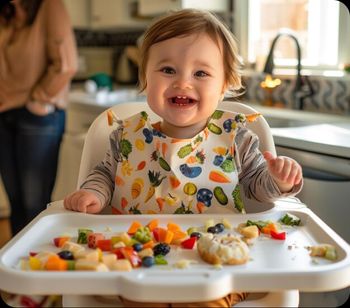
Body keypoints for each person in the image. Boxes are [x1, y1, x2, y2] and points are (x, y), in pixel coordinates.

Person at [64, 9, 303, 307]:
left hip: (217, 264)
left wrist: (278, 181)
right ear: (145, 78)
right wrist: (93, 193)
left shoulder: (236, 138)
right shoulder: (126, 137)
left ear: (224, 85)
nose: (183, 83)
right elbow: (104, 174)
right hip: (141, 262)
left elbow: (258, 188)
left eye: (200, 73)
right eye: (167, 70)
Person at [0, 0, 78, 236]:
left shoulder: (49, 5)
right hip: (4, 112)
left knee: (34, 202)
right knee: (15, 201)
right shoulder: (7, 12)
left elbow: (66, 64)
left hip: (37, 114)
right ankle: (16, 264)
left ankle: (39, 264)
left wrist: (38, 100)